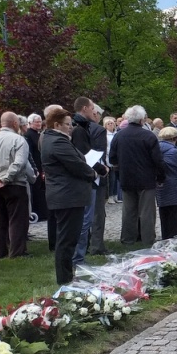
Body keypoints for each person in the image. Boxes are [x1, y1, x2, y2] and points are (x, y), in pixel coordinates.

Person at [41, 108, 100, 285]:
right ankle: (65, 279)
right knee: (67, 240)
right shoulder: (57, 141)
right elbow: (76, 164)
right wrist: (93, 174)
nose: (71, 127)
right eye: (67, 124)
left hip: (66, 195)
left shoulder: (55, 139)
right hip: (67, 196)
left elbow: (78, 158)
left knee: (68, 238)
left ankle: (67, 275)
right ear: (56, 125)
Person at [0, 111, 33, 259]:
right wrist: (6, 178)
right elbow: (20, 162)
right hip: (15, 184)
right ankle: (17, 252)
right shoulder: (19, 140)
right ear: (15, 123)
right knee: (17, 219)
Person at [109, 105, 165, 246]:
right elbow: (157, 159)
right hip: (146, 178)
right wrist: (161, 176)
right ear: (142, 120)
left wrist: (119, 171)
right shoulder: (148, 136)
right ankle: (148, 240)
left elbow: (112, 158)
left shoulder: (119, 135)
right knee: (147, 212)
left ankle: (128, 239)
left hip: (126, 177)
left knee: (129, 211)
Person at [70, 97, 107, 261]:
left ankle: (78, 256)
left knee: (85, 219)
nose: (95, 111)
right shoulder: (79, 129)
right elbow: (83, 154)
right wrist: (100, 169)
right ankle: (78, 257)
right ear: (84, 108)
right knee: (85, 220)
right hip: (85, 179)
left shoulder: (82, 128)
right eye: (93, 108)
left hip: (86, 177)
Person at [156, 127, 177, 240]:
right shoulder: (174, 152)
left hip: (161, 185)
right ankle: (174, 236)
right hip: (176, 185)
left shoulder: (156, 149)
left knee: (164, 213)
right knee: (175, 214)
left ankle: (165, 236)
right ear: (175, 138)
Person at [25, 113, 48, 220]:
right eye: (36, 122)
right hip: (35, 165)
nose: (39, 124)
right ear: (30, 123)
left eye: (40, 121)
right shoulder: (28, 135)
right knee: (37, 190)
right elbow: (29, 153)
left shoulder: (38, 134)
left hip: (40, 164)